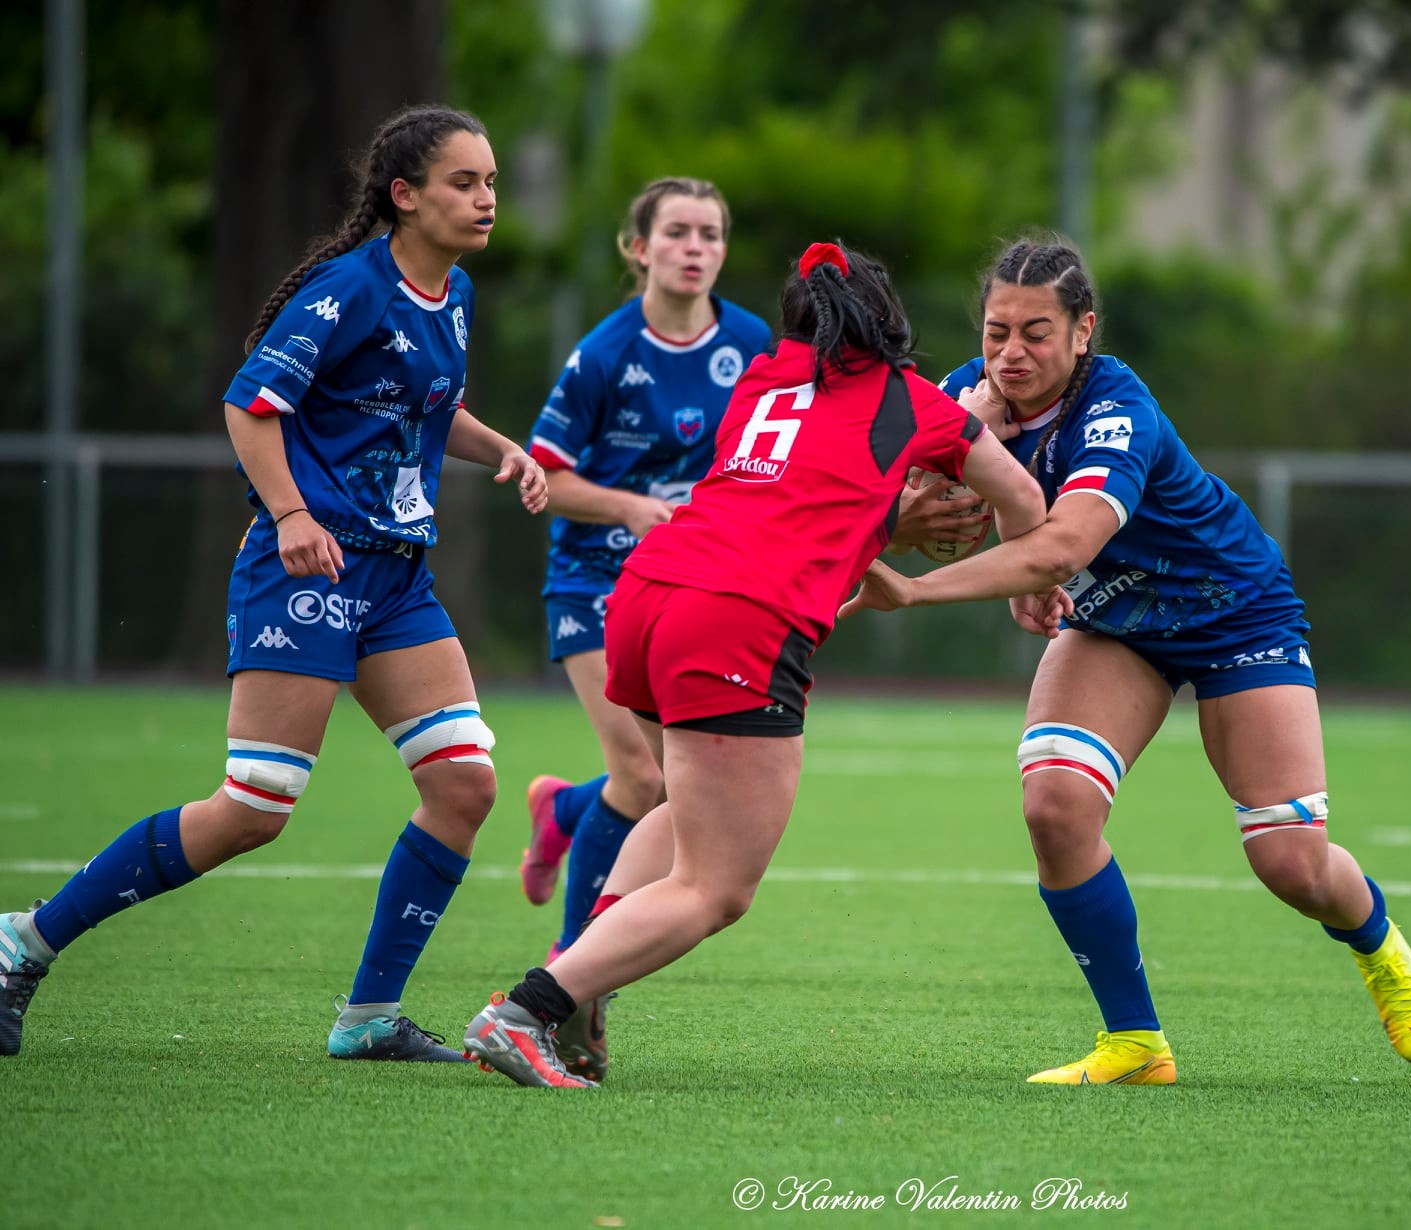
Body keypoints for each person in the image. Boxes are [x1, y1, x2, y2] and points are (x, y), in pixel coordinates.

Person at [0, 105, 548, 1063]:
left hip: (394, 578)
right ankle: (23, 941)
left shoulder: (452, 292)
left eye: (492, 182)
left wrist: (500, 446)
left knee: (463, 786)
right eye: (464, 182)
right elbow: (251, 405)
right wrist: (292, 515)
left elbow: (429, 405)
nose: (486, 198)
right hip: (310, 567)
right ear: (404, 195)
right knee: (256, 805)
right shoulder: (349, 289)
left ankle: (367, 1019)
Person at [840, 237, 1411, 1083]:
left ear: (1083, 330)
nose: (1011, 354)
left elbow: (1065, 545)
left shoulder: (1117, 408)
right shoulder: (961, 398)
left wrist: (918, 590)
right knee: (1054, 808)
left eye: (1036, 333)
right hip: (1115, 624)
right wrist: (935, 488)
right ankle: (1135, 1043)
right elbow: (894, 509)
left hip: (1232, 613)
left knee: (1290, 863)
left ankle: (1377, 942)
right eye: (996, 332)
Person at [458, 241, 1062, 1088]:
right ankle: (526, 1012)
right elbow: (1024, 499)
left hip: (647, 595)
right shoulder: (910, 399)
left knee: (681, 813)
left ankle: (583, 995)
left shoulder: (762, 380)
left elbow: (808, 491)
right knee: (716, 889)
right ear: (887, 322)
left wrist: (902, 499)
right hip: (733, 622)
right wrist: (1025, 575)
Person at [516, 178, 771, 1079]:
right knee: (644, 775)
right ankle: (569, 976)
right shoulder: (604, 353)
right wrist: (629, 506)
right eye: (677, 233)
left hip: (697, 588)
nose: (694, 248)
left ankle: (565, 812)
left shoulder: (752, 344)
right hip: (594, 579)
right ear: (639, 248)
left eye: (710, 234)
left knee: (669, 784)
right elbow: (544, 474)